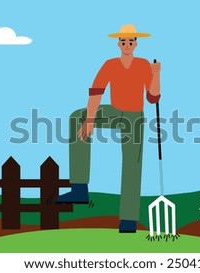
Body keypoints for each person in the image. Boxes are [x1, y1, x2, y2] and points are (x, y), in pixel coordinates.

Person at [56, 24, 161, 233]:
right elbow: (96, 92)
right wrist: (90, 119)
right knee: (78, 118)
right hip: (114, 110)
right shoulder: (110, 64)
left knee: (132, 163)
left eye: (131, 41)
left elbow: (153, 97)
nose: (127, 45)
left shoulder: (143, 65)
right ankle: (79, 188)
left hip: (133, 116)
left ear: (136, 44)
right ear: (118, 43)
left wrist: (156, 75)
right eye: (124, 41)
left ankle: (128, 219)